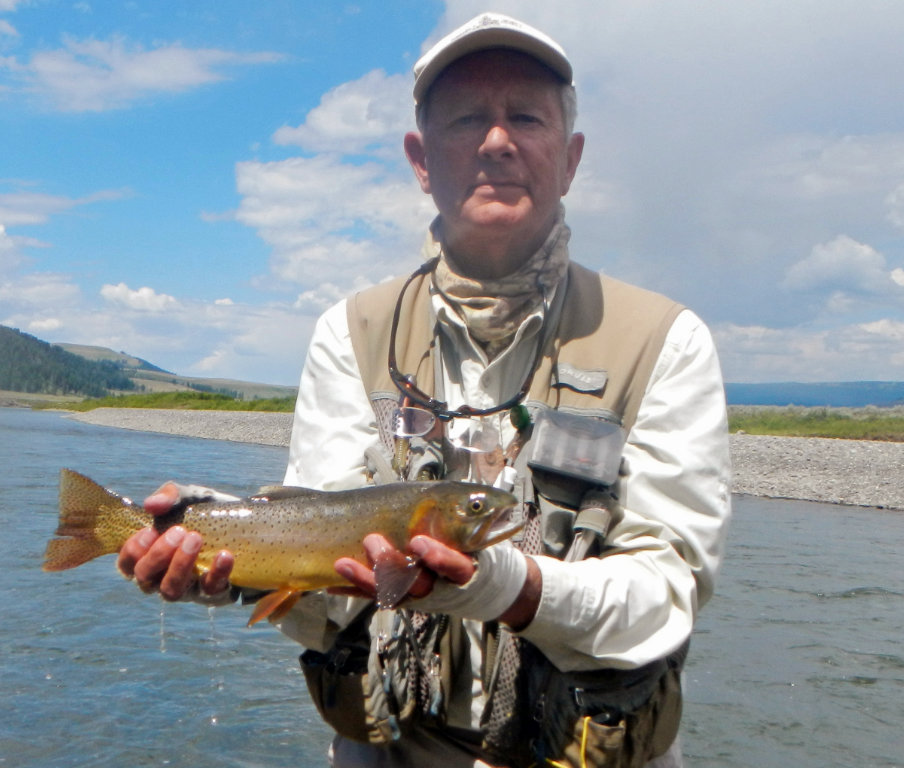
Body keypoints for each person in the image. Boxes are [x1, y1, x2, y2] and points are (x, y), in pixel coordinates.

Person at [117, 13, 731, 768]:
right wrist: (221, 549)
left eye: (526, 117)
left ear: (570, 159)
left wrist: (506, 587)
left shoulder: (664, 339)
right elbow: (325, 568)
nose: (497, 141)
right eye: (467, 118)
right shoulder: (353, 331)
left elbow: (666, 598)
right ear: (420, 160)